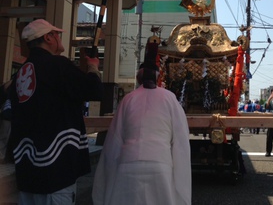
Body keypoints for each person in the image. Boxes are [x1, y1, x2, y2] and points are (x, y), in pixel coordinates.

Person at [6, 19, 103, 204]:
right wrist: (92, 66)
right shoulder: (56, 65)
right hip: (55, 170)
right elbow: (94, 90)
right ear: (48, 37)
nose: (59, 38)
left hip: (27, 171)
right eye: (56, 34)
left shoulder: (20, 74)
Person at [92, 43, 191, 205]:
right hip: (160, 164)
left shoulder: (128, 99)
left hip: (128, 164)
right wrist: (181, 182)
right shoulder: (169, 98)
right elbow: (180, 141)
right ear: (158, 77)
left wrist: (105, 182)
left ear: (138, 78)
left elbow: (114, 142)